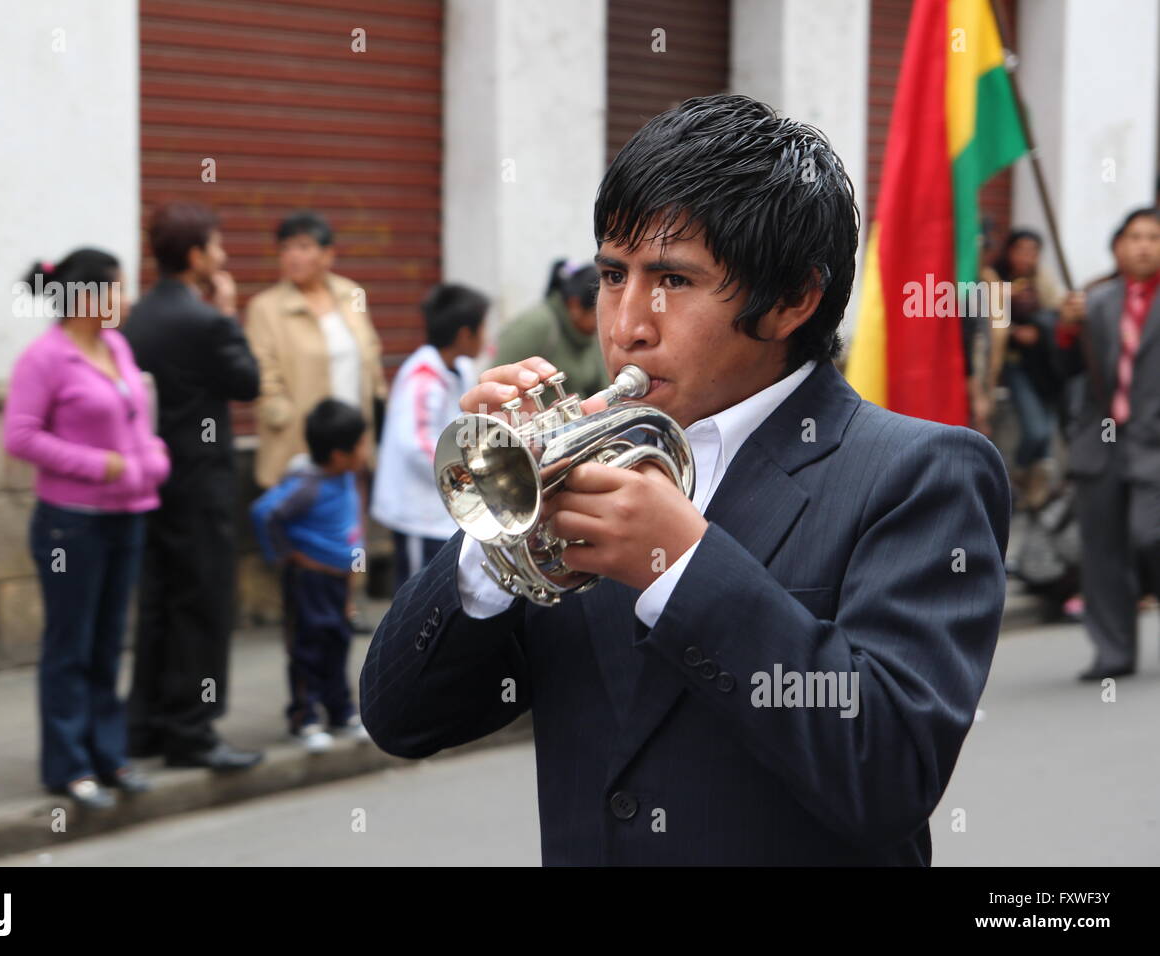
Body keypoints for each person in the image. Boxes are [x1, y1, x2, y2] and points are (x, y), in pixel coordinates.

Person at [361, 93, 1010, 866]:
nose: (626, 323)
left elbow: (888, 772)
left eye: (672, 279)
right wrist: (497, 517)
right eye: (612, 274)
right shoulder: (580, 467)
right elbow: (401, 719)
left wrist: (686, 565)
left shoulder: (919, 472)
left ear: (793, 300)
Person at [3, 248, 169, 809]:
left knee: (105, 642)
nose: (125, 300)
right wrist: (101, 465)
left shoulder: (116, 346)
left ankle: (109, 755)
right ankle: (69, 766)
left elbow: (136, 417)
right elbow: (20, 436)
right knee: (69, 644)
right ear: (86, 297)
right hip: (70, 526)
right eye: (117, 289)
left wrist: (152, 455)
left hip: (129, 515)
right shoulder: (44, 358)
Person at [123, 202, 264, 771]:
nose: (224, 256)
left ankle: (146, 724)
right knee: (203, 603)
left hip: (153, 479)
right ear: (196, 255)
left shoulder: (137, 318)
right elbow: (248, 382)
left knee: (158, 600)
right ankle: (193, 729)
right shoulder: (204, 321)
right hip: (201, 482)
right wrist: (228, 313)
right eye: (217, 246)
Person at [1056, 207, 1160, 681]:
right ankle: (1113, 651)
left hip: (1154, 445)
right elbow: (1063, 373)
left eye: (1153, 237)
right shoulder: (1094, 302)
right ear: (1118, 247)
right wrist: (1067, 331)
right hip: (1101, 445)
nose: (1143, 245)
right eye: (1134, 237)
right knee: (1102, 553)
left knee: (1147, 535)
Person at [253, 399, 371, 751]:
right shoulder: (306, 485)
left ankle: (341, 712)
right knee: (308, 647)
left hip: (338, 579)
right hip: (308, 580)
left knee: (338, 641)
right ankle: (305, 717)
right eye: (361, 445)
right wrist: (286, 556)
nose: (365, 450)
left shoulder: (347, 476)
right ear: (338, 454)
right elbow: (264, 513)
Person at [245, 211, 387, 490]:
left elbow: (371, 356)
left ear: (327, 254)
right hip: (298, 448)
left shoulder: (351, 295)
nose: (293, 256)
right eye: (285, 248)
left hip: (351, 448)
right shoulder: (265, 308)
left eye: (303, 247)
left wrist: (378, 409)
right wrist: (282, 418)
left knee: (350, 528)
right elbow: (263, 377)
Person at [371, 283, 487, 586]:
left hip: (444, 504)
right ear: (465, 334)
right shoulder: (421, 378)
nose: (486, 338)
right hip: (417, 511)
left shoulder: (460, 367)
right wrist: (464, 478)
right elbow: (416, 445)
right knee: (414, 590)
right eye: (482, 329)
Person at [991, 230, 1065, 509]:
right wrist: (1012, 332)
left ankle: (1035, 492)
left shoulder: (1044, 281)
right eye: (1020, 249)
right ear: (1009, 251)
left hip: (1044, 367)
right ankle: (1017, 475)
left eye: (1033, 251)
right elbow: (984, 317)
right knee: (1036, 430)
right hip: (1014, 364)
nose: (1026, 257)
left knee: (1046, 434)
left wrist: (1040, 328)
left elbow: (1057, 314)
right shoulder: (994, 279)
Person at [495, 259, 609, 397]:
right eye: (600, 313)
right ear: (575, 306)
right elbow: (499, 379)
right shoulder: (538, 324)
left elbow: (603, 387)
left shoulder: (590, 335)